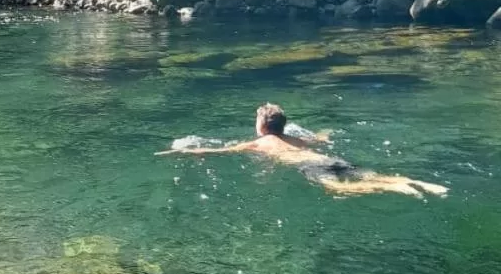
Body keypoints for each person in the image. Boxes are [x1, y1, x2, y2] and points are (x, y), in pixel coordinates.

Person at [158, 103, 448, 198]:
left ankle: (399, 188)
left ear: (261, 127)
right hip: (327, 158)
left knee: (341, 191)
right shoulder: (297, 140)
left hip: (312, 167)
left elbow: (221, 151)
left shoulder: (260, 143)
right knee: (368, 174)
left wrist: (185, 152)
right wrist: (327, 132)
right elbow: (319, 139)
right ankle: (411, 181)